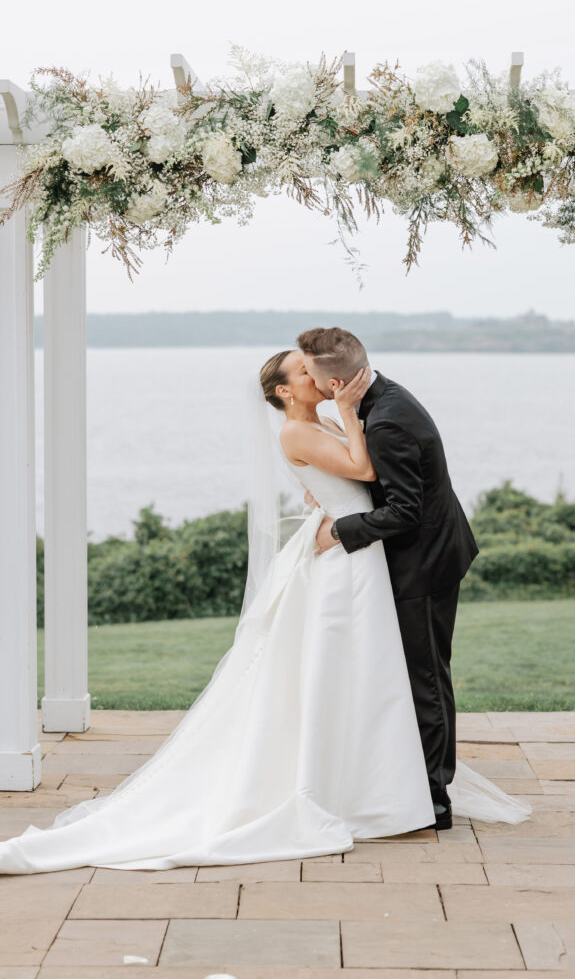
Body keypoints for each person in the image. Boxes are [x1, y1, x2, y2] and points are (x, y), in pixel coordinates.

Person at [0, 346, 530, 875]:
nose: (317, 376)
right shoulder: (297, 430)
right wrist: (348, 413)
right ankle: (362, 789)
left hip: (356, 550)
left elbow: (357, 475)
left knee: (370, 674)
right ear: (283, 391)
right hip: (343, 556)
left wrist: (326, 479)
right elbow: (363, 464)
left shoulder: (316, 421)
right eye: (303, 372)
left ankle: (378, 784)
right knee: (347, 669)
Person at [298, 326, 479, 826]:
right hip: (426, 552)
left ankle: (434, 797)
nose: (309, 384)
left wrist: (339, 531)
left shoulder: (386, 423)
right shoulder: (383, 397)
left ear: (337, 386)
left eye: (311, 375)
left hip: (424, 562)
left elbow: (404, 513)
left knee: (426, 678)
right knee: (418, 674)